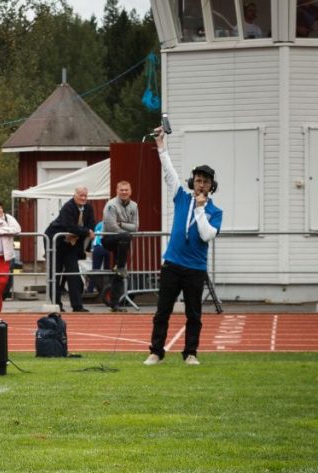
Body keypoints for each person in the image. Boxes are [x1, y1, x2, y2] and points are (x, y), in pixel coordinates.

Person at [145, 127, 223, 366]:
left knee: (193, 314)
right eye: (198, 180)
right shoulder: (181, 196)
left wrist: (200, 209)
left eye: (205, 182)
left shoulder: (214, 211)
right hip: (172, 264)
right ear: (193, 182)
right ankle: (156, 352)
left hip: (195, 268)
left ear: (211, 186)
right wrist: (161, 147)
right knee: (162, 312)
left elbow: (206, 235)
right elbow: (169, 174)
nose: (200, 184)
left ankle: (191, 353)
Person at [46, 185, 95, 312]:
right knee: (55, 274)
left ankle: (77, 306)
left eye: (85, 195)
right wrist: (85, 231)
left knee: (73, 274)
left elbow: (91, 225)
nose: (83, 198)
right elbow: (69, 226)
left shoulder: (89, 208)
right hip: (56, 242)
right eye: (81, 195)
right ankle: (56, 305)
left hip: (72, 244)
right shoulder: (68, 207)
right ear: (75, 195)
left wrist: (86, 231)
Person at [101, 180, 139, 311]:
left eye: (126, 190)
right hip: (109, 239)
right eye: (121, 190)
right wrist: (126, 233)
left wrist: (122, 224)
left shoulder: (134, 205)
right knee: (126, 237)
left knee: (119, 272)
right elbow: (112, 227)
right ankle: (121, 266)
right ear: (117, 191)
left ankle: (114, 304)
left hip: (122, 243)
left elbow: (135, 227)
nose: (124, 192)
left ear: (130, 191)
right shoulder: (110, 205)